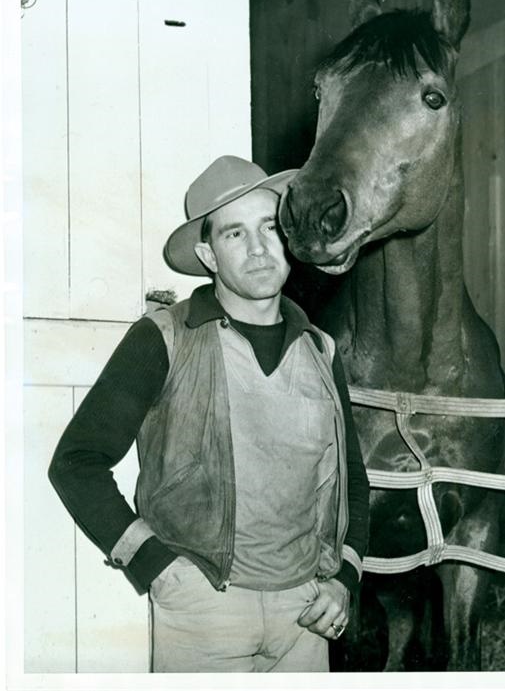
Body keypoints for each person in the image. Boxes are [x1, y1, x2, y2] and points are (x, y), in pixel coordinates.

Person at [48, 155, 370, 673]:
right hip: (203, 612)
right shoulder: (164, 338)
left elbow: (352, 480)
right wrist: (155, 566)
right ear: (209, 254)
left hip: (304, 617)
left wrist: (344, 579)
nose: (260, 248)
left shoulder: (321, 350)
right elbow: (76, 463)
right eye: (235, 234)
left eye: (270, 226)